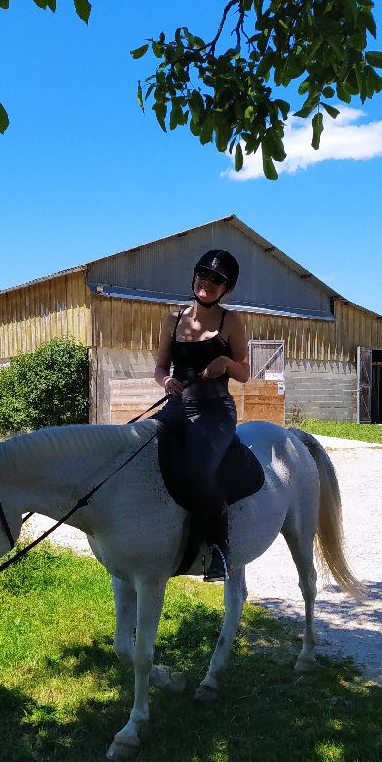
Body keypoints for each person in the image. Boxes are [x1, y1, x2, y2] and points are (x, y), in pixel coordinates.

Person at [153, 249, 250, 581]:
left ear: (226, 289)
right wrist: (166, 381)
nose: (207, 283)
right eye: (203, 275)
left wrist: (225, 363)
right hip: (177, 407)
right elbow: (160, 367)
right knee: (144, 454)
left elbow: (244, 373)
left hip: (215, 411)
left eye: (217, 280)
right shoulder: (172, 319)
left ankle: (220, 549)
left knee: (197, 470)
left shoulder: (231, 321)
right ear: (194, 277)